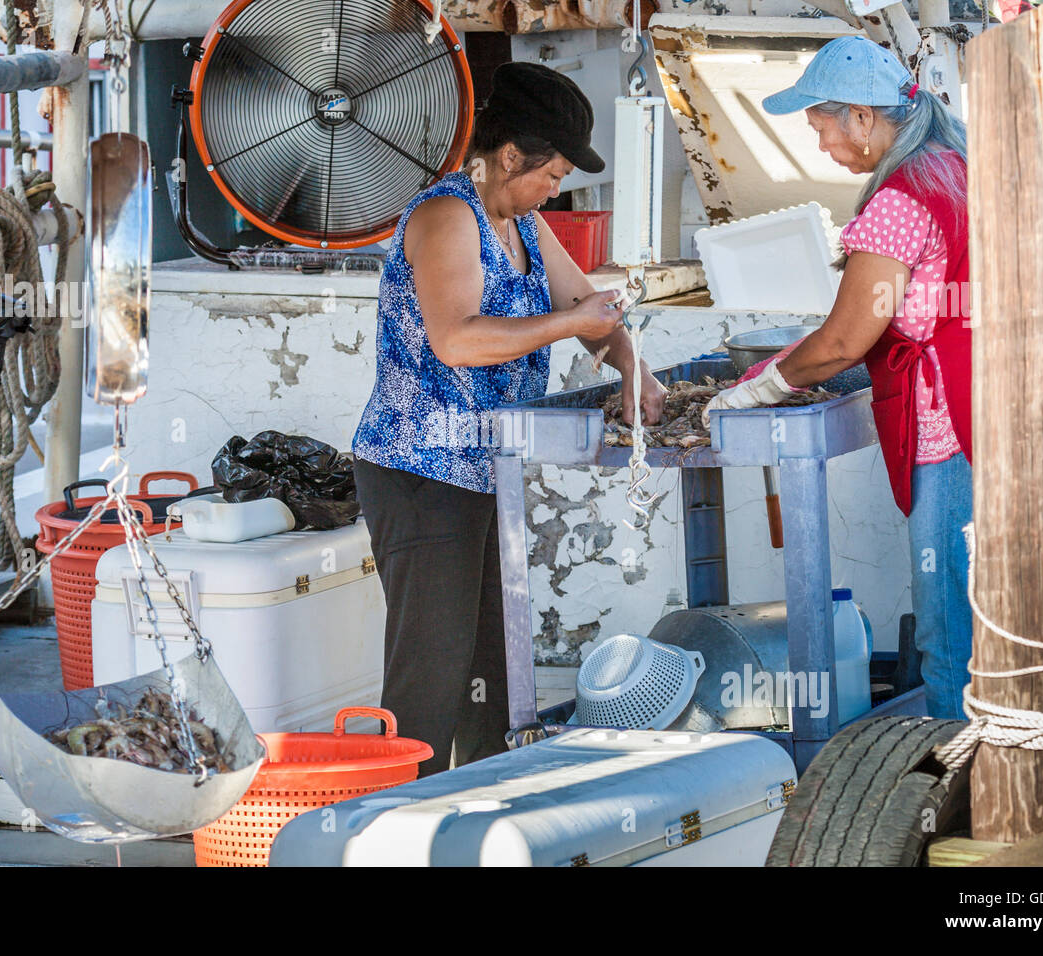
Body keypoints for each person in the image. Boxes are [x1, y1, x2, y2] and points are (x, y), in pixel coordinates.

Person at [351, 62, 666, 774]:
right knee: (431, 676)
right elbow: (456, 337)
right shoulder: (445, 215)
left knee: (493, 676)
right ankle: (396, 825)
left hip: (491, 472)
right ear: (510, 157)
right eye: (550, 173)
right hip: (421, 472)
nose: (556, 189)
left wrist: (630, 364)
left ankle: (477, 819)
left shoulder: (523, 222)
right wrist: (567, 323)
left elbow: (593, 314)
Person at [704, 36, 973, 720]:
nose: (823, 145)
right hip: (993, 403)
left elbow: (847, 339)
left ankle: (959, 774)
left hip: (948, 425)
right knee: (987, 600)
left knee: (947, 619)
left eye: (822, 127)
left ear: (860, 115)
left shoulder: (901, 199)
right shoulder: (955, 165)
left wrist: (757, 388)